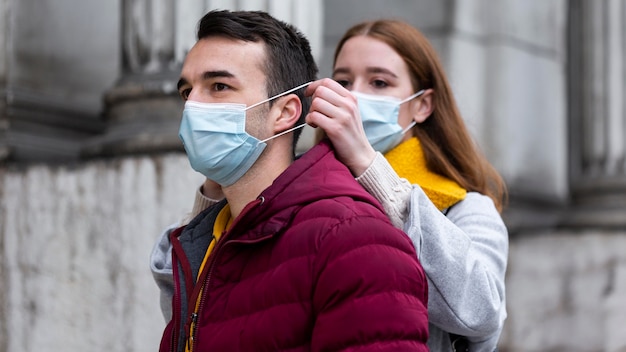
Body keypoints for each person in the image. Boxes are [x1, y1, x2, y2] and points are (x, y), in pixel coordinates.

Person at [152, 10, 429, 352]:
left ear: (285, 112)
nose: (192, 105)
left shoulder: (354, 237)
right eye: (186, 91)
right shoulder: (207, 237)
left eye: (219, 86)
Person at [303, 20, 509, 351]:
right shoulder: (302, 195)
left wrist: (369, 167)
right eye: (343, 81)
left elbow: (483, 312)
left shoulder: (465, 207)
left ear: (422, 105)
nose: (354, 95)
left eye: (379, 82)